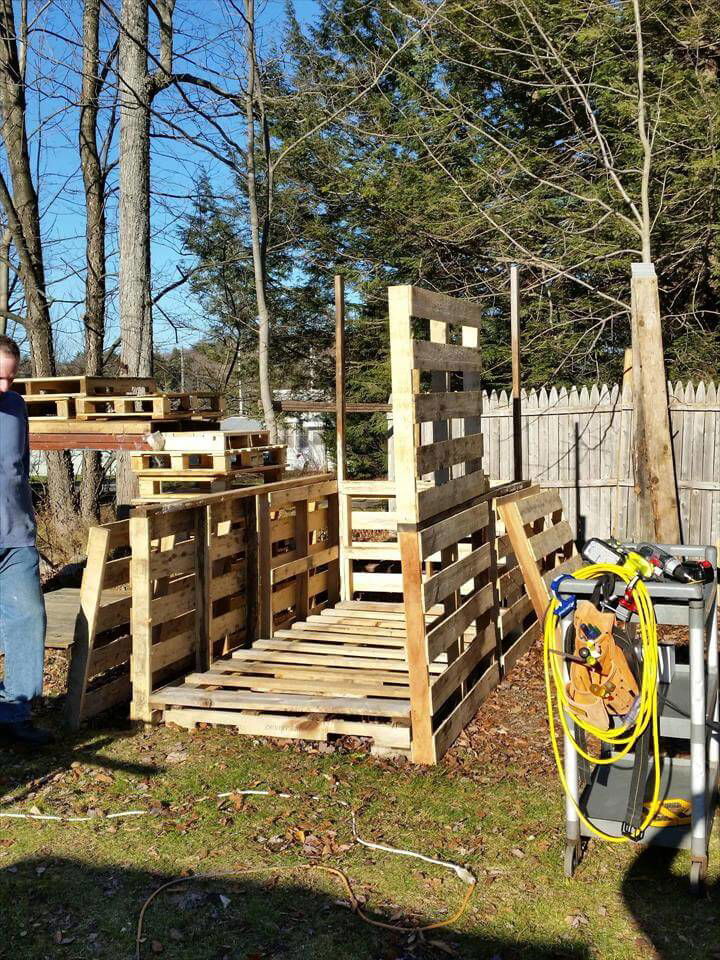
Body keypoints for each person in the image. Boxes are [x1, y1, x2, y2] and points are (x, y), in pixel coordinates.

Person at [0, 335, 51, 745]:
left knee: (28, 618)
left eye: (11, 378)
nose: (5, 387)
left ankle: (16, 713)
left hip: (16, 536)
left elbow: (19, 468)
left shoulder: (16, 407)